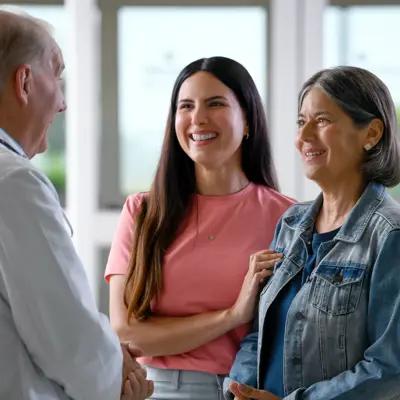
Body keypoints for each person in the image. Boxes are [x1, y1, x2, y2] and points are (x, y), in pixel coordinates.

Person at [105, 56, 295, 399]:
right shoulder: (142, 212)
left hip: (251, 390)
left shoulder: (291, 218)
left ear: (248, 119)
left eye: (215, 103)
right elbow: (128, 331)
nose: (197, 118)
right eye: (186, 106)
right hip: (160, 391)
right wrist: (233, 315)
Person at [0, 9, 153, 400]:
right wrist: (116, 376)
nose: (63, 103)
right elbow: (65, 337)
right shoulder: (16, 182)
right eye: (58, 77)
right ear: (24, 81)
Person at [225, 65, 400, 400]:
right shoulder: (291, 223)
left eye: (322, 120)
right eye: (301, 122)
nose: (304, 137)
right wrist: (238, 389)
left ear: (372, 133)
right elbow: (259, 333)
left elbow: (389, 369)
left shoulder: (390, 234)